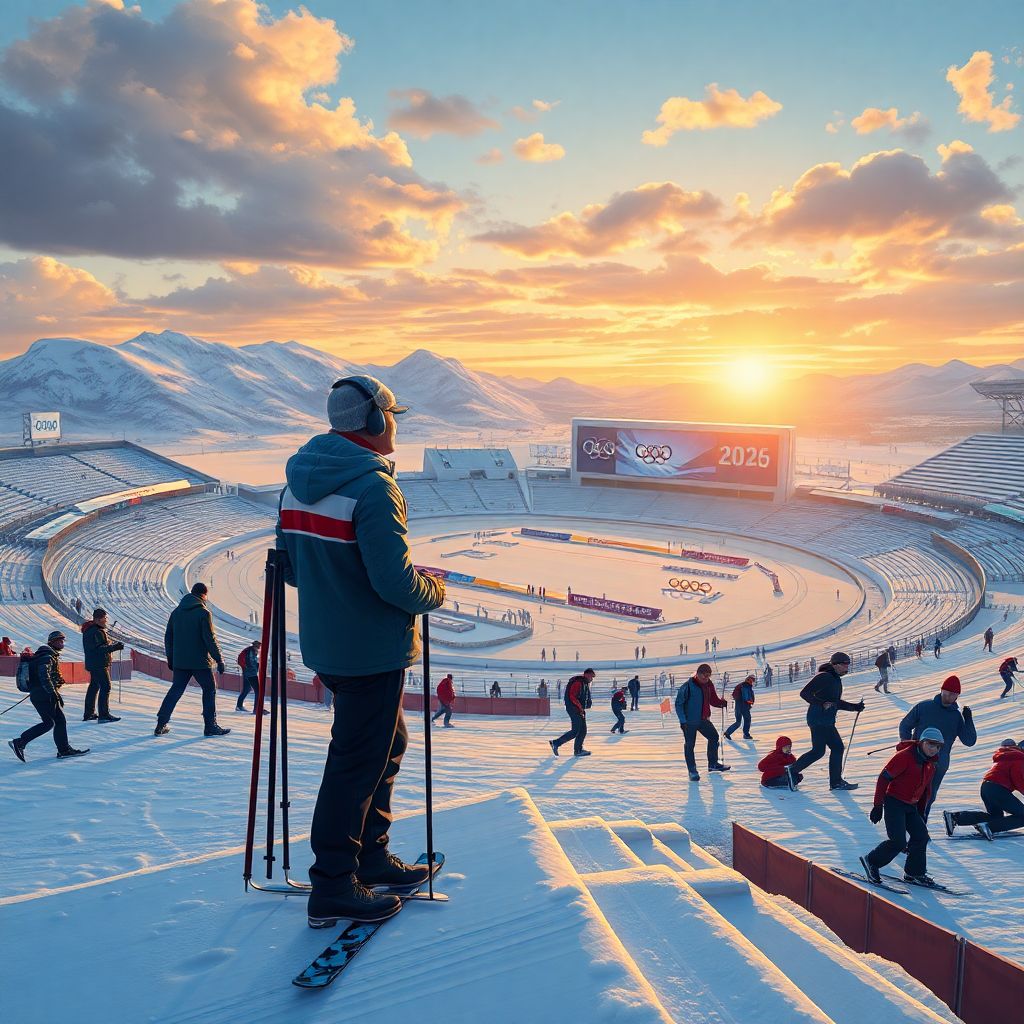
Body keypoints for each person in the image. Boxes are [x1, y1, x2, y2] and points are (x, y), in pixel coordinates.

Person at [276, 373, 446, 926]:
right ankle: (333, 883)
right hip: (372, 648)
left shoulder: (297, 483)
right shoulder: (373, 486)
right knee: (355, 764)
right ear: (374, 422)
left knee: (384, 745)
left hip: (329, 643)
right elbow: (396, 584)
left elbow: (296, 571)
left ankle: (369, 857)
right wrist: (433, 591)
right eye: (391, 414)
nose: (394, 424)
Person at [860, 728, 944, 888]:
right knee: (898, 841)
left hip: (910, 806)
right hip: (894, 802)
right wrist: (878, 805)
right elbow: (883, 779)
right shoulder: (905, 757)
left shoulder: (930, 765)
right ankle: (871, 861)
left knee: (921, 836)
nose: (934, 749)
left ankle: (914, 872)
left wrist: (920, 814)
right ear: (922, 742)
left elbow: (925, 790)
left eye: (937, 746)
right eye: (930, 744)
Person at [156, 583, 230, 738]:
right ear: (204, 595)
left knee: (176, 690)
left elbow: (168, 637)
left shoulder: (176, 612)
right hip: (200, 662)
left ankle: (161, 724)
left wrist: (171, 659)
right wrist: (219, 659)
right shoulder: (203, 613)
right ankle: (210, 726)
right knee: (209, 690)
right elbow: (209, 639)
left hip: (180, 662)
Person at [898, 675, 976, 818]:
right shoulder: (924, 707)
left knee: (929, 796)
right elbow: (905, 725)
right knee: (910, 791)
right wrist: (906, 746)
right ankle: (904, 822)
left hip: (939, 763)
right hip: (916, 759)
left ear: (957, 696)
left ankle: (921, 826)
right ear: (941, 690)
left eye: (953, 694)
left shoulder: (956, 717)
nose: (948, 696)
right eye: (946, 692)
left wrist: (968, 719)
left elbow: (969, 740)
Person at [8, 631, 88, 761]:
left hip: (40, 694)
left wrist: (57, 681)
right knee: (52, 722)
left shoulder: (45, 655)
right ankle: (21, 742)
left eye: (63, 641)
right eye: (59, 641)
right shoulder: (47, 656)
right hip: (44, 695)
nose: (62, 643)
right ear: (52, 642)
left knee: (56, 721)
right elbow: (43, 675)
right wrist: (53, 693)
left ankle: (63, 749)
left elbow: (46, 675)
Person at [788, 652, 863, 791]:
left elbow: (834, 702)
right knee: (820, 751)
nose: (847, 667)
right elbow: (805, 693)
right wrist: (821, 703)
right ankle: (792, 771)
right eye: (844, 664)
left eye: (848, 664)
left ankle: (835, 782)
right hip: (818, 719)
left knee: (835, 748)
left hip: (826, 720)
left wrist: (854, 707)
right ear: (835, 664)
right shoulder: (825, 676)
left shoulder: (834, 678)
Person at [944, 739, 1024, 840]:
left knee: (996, 817)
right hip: (998, 789)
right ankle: (989, 827)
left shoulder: (1007, 756)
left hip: (986, 787)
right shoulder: (1019, 759)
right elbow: (1018, 779)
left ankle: (955, 818)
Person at [674, 663, 730, 781]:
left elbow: (713, 700)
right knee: (690, 745)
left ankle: (713, 764)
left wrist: (721, 703)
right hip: (689, 722)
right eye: (703, 675)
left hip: (703, 720)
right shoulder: (688, 686)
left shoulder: (709, 685)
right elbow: (678, 704)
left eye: (708, 675)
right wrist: (683, 721)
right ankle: (692, 771)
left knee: (714, 737)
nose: (706, 677)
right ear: (697, 674)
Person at [81, 608, 125, 723]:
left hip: (94, 663)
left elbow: (99, 646)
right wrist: (115, 647)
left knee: (94, 686)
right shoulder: (95, 631)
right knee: (106, 686)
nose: (106, 620)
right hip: (98, 664)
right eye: (105, 618)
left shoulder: (92, 630)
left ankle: (89, 713)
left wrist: (112, 645)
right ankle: (103, 715)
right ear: (98, 619)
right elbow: (99, 649)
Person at [549, 668, 595, 756]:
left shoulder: (584, 683)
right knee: (575, 731)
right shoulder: (578, 683)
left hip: (578, 709)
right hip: (574, 709)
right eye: (591, 677)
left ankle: (578, 750)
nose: (592, 679)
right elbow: (572, 696)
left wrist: (583, 707)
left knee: (583, 730)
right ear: (587, 675)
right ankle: (556, 743)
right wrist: (580, 708)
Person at [234, 640, 265, 713]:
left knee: (247, 689)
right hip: (250, 673)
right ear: (256, 646)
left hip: (247, 672)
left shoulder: (250, 650)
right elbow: (250, 662)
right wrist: (257, 667)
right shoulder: (251, 651)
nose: (259, 647)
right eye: (259, 646)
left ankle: (239, 706)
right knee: (258, 691)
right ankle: (257, 709)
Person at [724, 674, 756, 740]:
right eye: (752, 680)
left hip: (738, 707)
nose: (753, 682)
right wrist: (750, 702)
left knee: (738, 722)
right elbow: (746, 697)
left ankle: (727, 733)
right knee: (747, 720)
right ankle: (746, 735)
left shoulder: (742, 685)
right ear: (749, 680)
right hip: (744, 707)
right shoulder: (745, 686)